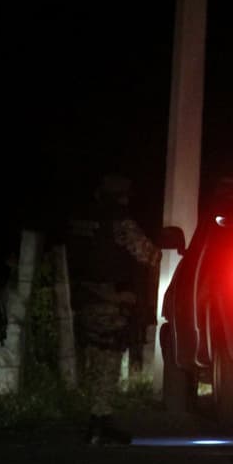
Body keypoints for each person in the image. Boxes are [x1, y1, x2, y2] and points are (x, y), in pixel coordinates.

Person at [65, 173, 162, 445]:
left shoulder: (82, 220)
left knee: (94, 359)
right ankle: (99, 422)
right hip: (111, 300)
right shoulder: (120, 222)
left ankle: (99, 419)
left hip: (85, 298)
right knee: (108, 360)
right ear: (122, 196)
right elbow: (150, 255)